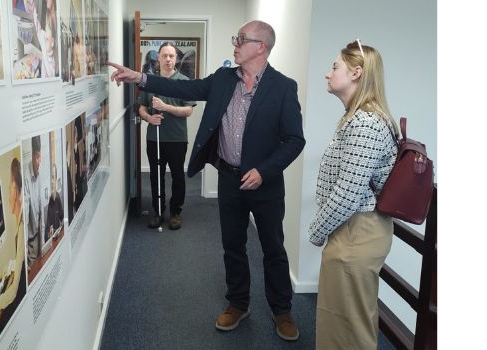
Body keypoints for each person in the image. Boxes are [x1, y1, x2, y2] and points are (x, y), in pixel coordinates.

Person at [108, 20, 307, 341]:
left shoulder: (284, 87)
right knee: (232, 245)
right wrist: (140, 77)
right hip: (229, 179)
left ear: (261, 47)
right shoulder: (223, 80)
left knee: (273, 248)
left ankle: (282, 310)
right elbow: (184, 88)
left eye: (241, 39)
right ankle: (238, 303)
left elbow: (295, 140)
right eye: (236, 37)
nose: (235, 43)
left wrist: (264, 171)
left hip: (265, 185)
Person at [309, 40, 397, 350]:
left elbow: (348, 193)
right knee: (342, 319)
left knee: (351, 326)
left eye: (335, 67)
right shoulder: (360, 117)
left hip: (357, 232)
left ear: (356, 72)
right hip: (353, 229)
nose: (328, 73)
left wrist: (317, 232)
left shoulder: (365, 123)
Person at [138, 42, 196, 230]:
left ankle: (175, 213)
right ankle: (158, 212)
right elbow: (141, 108)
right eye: (165, 55)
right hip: (155, 139)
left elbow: (188, 111)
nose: (168, 59)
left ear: (176, 59)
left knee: (178, 176)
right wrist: (148, 117)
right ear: (159, 58)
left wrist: (165, 107)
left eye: (172, 56)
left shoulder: (184, 81)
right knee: (156, 176)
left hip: (177, 139)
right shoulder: (150, 82)